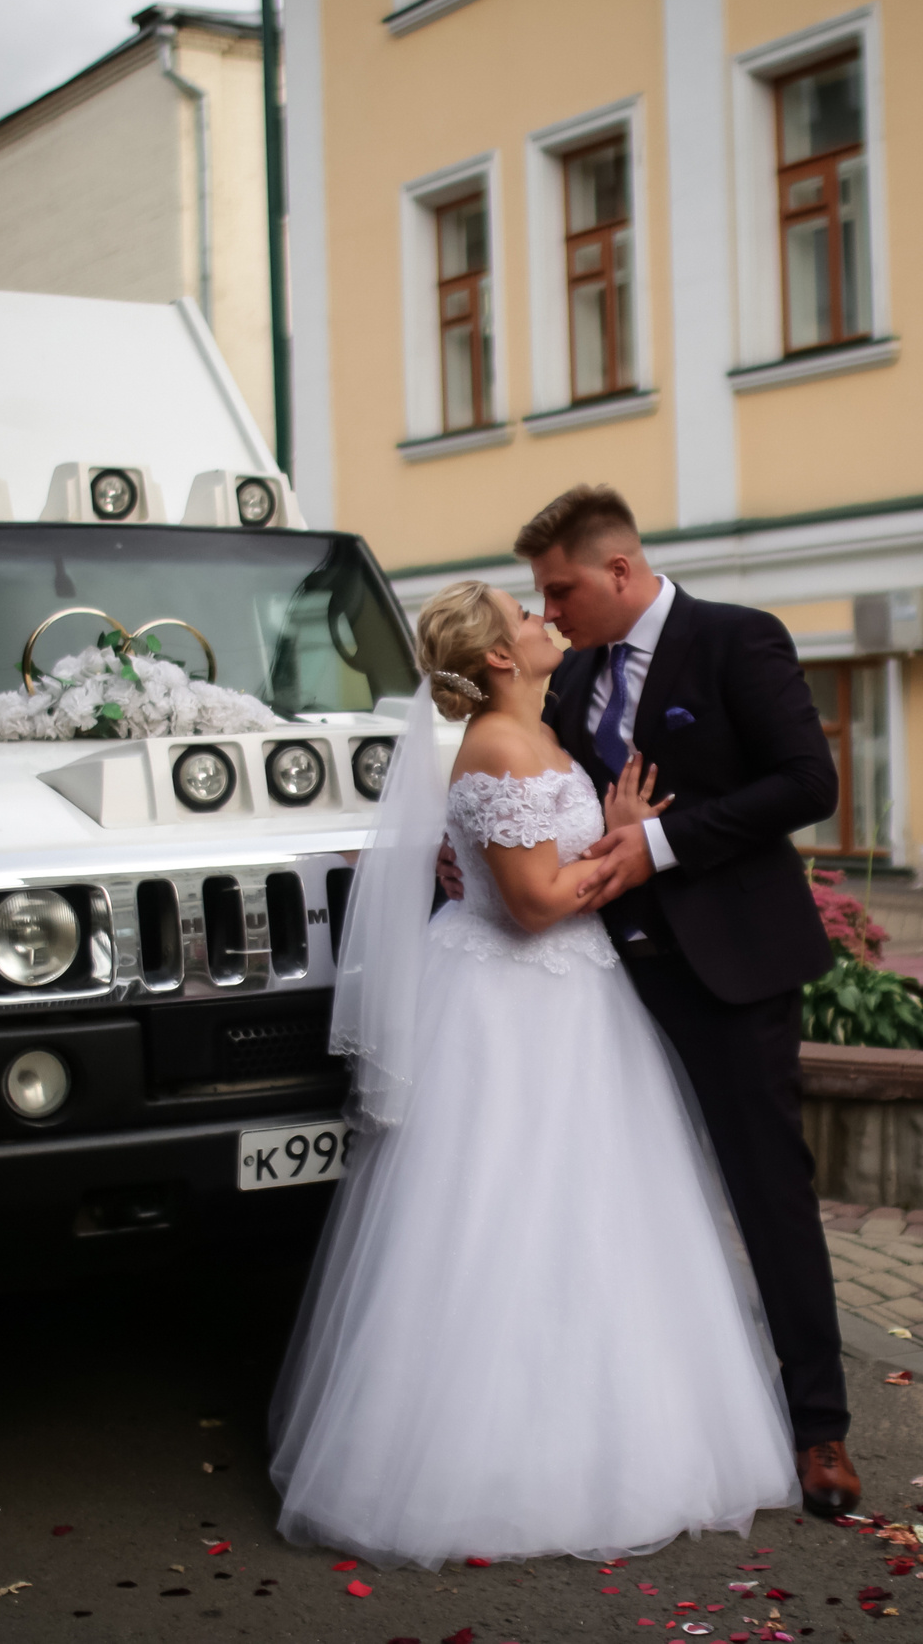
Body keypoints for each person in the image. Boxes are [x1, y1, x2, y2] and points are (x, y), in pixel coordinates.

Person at [267, 579, 799, 1570]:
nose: (544, 619)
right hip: (508, 1008)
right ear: (500, 657)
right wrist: (624, 848)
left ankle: (607, 1432)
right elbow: (531, 907)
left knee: (593, 1214)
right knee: (498, 1211)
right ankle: (486, 1463)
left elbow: (528, 867)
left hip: (575, 1001)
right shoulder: (502, 748)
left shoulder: (543, 734)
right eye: (525, 615)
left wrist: (605, 834)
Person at [441, 485, 860, 1520]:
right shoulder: (569, 674)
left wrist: (660, 844)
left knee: (767, 1189)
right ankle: (623, 1409)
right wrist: (460, 862)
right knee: (610, 1198)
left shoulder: (736, 640)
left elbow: (807, 783)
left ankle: (819, 1428)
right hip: (597, 982)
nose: (550, 612)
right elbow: (521, 805)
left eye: (560, 591)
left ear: (619, 571)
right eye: (538, 600)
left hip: (728, 970)